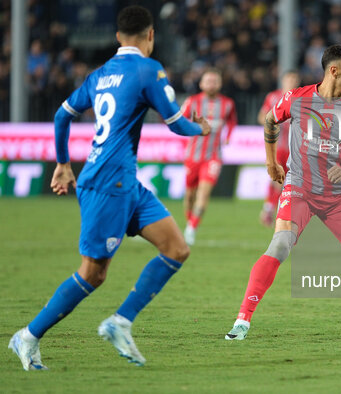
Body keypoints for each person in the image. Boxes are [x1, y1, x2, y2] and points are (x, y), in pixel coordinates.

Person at [8, 5, 210, 371]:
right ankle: (28, 335)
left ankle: (119, 322)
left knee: (176, 248)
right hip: (106, 184)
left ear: (118, 37)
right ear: (150, 36)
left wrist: (63, 163)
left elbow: (62, 115)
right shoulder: (149, 69)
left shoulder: (99, 75)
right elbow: (178, 124)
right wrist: (203, 129)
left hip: (124, 181)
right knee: (93, 273)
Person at [225, 45, 341, 340]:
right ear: (334, 71)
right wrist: (271, 161)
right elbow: (270, 120)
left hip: (339, 194)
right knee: (280, 245)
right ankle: (242, 320)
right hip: (300, 188)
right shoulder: (297, 99)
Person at [182, 69, 237, 245]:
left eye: (215, 81)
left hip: (213, 156)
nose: (211, 84)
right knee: (189, 194)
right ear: (201, 84)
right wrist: (192, 129)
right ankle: (189, 222)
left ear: (220, 84)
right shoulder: (192, 102)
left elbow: (232, 121)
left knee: (203, 194)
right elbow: (180, 122)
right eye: (208, 81)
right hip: (192, 155)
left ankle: (192, 228)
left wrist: (228, 136)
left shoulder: (227, 103)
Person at [258, 70, 300, 227]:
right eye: (289, 79)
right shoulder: (273, 97)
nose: (291, 82)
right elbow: (262, 116)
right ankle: (270, 209)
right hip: (277, 147)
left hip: (294, 148)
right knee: (278, 178)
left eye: (294, 79)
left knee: (289, 182)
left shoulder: (303, 99)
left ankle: (270, 209)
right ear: (283, 81)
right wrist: (271, 123)